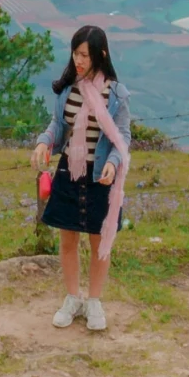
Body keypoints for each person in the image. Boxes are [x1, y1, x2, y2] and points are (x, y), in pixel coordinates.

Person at [29, 24, 132, 332]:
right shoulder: (67, 89)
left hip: (100, 175)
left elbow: (122, 136)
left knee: (100, 240)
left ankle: (95, 301)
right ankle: (73, 297)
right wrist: (44, 141)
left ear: (101, 55)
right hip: (69, 173)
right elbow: (58, 127)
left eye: (84, 54)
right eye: (75, 53)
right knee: (68, 238)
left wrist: (114, 163)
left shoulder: (116, 94)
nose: (78, 60)